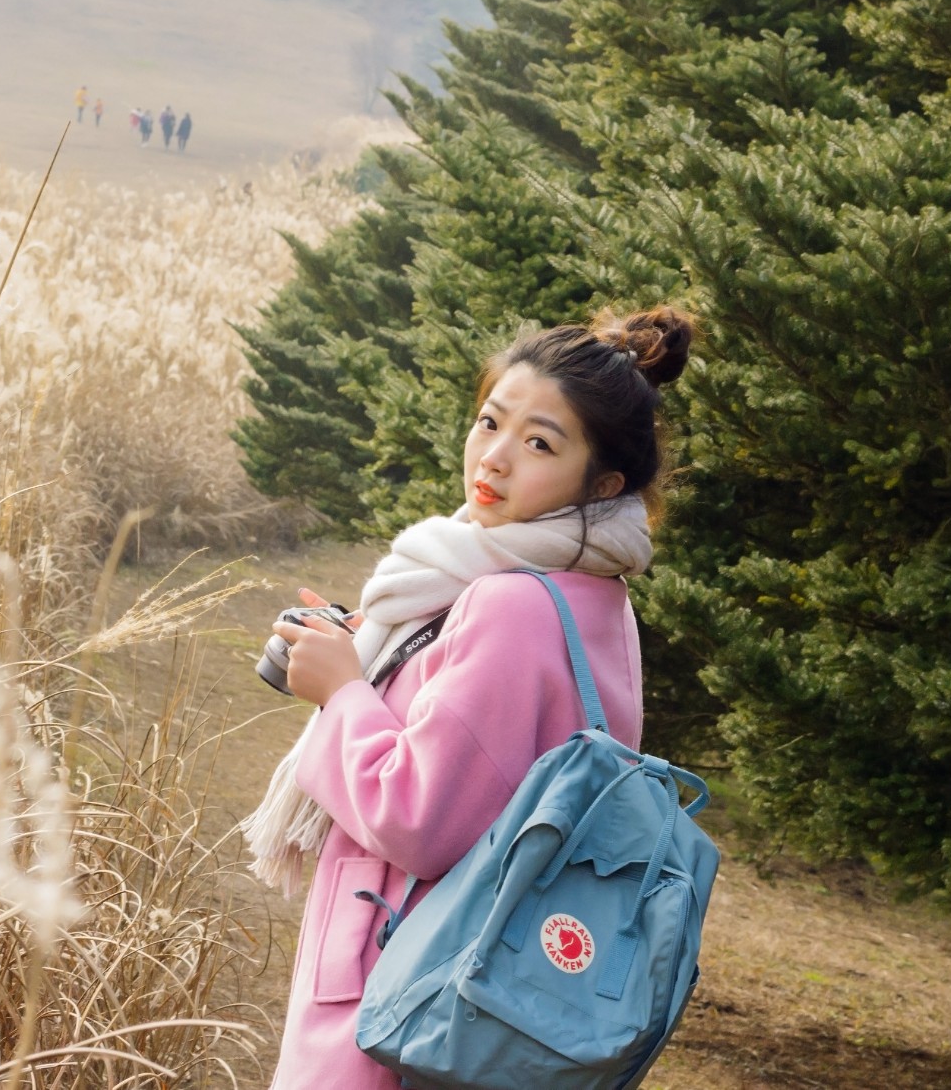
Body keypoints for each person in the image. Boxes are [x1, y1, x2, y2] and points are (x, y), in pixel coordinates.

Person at [244, 308, 694, 1090]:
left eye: (539, 443)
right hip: (487, 1004)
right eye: (490, 421)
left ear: (603, 484)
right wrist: (373, 658)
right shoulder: (594, 597)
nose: (494, 455)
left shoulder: (511, 602)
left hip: (397, 996)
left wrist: (345, 690)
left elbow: (420, 815)